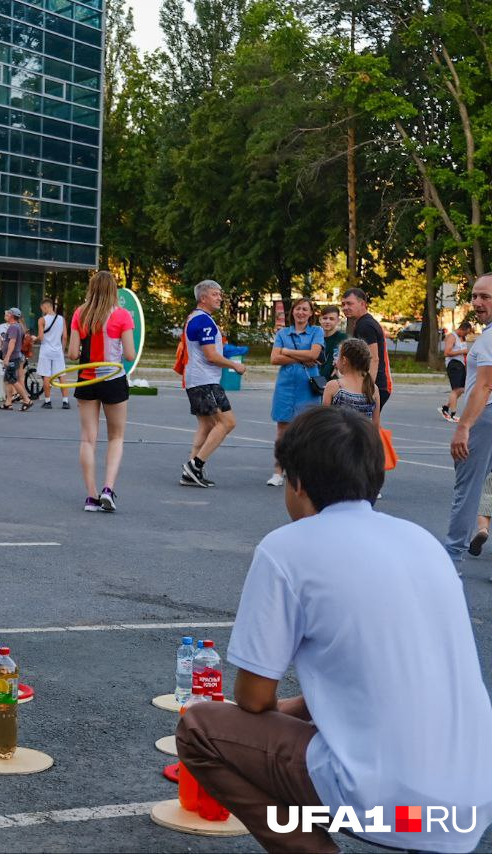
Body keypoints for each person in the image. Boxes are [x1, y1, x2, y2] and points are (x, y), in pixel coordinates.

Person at [179, 406, 492, 854]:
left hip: (389, 807)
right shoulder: (422, 542)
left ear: (297, 482)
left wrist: (278, 713)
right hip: (469, 805)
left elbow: (252, 699)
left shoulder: (287, 548)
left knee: (201, 729)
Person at [69, 270, 135, 512]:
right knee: (116, 437)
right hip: (113, 379)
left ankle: (91, 496)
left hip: (86, 380)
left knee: (88, 438)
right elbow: (129, 355)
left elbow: (73, 354)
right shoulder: (122, 315)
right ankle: (108, 488)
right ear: (113, 290)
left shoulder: (80, 313)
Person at [445, 275, 492, 570]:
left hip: (483, 418)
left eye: (484, 297)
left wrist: (463, 426)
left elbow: (485, 386)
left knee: (467, 490)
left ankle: (451, 560)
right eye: (474, 296)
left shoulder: (488, 340)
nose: (476, 302)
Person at [180, 280, 245, 488]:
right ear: (203, 298)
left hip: (196, 379)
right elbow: (210, 356)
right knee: (227, 422)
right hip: (204, 380)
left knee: (206, 425)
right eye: (215, 294)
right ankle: (196, 464)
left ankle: (189, 472)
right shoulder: (204, 321)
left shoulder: (196, 318)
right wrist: (235, 365)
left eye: (220, 294)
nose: (220, 298)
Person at [266, 298, 324, 487]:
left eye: (305, 309)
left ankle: (303, 471)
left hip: (308, 388)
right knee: (282, 430)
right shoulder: (283, 332)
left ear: (310, 313)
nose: (301, 312)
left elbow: (314, 355)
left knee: (307, 430)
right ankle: (278, 472)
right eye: (298, 309)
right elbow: (274, 359)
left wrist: (286, 351)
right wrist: (300, 356)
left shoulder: (317, 331)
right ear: (293, 312)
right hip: (286, 387)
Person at [340, 288, 391, 410]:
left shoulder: (365, 325)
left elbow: (373, 359)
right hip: (376, 385)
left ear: (362, 304)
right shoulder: (363, 322)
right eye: (343, 304)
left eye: (349, 303)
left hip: (376, 385)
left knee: (362, 426)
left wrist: (368, 387)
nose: (345, 307)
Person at [321, 338, 379, 426]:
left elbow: (324, 422)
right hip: (364, 438)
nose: (336, 359)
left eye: (337, 355)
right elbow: (375, 425)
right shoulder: (373, 388)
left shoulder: (334, 386)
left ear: (344, 360)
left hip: (338, 438)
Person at [35, 297, 70, 409]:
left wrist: (33, 339)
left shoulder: (42, 320)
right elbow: (64, 337)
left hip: (45, 351)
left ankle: (48, 401)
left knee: (46, 376)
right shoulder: (61, 319)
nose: (43, 311)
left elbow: (41, 337)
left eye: (42, 308)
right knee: (61, 376)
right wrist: (62, 350)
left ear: (45, 306)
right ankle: (65, 401)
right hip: (58, 352)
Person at [0, 308, 31, 411]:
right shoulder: (18, 326)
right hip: (14, 356)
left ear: (12, 316)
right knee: (7, 380)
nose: (7, 314)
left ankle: (26, 400)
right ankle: (8, 402)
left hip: (12, 357)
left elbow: (12, 342)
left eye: (9, 313)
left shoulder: (13, 327)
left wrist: (7, 357)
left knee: (12, 379)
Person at [442, 321, 473, 422]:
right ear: (461, 329)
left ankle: (445, 407)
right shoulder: (452, 337)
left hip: (461, 364)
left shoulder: (462, 337)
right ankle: (453, 414)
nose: (466, 335)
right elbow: (447, 353)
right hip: (453, 364)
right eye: (466, 333)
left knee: (462, 389)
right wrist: (462, 352)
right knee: (456, 390)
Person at [315, 304, 346, 381]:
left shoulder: (344, 339)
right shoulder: (313, 338)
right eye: (325, 318)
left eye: (331, 319)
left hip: (334, 383)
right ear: (320, 320)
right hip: (313, 381)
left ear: (338, 321)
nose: (327, 321)